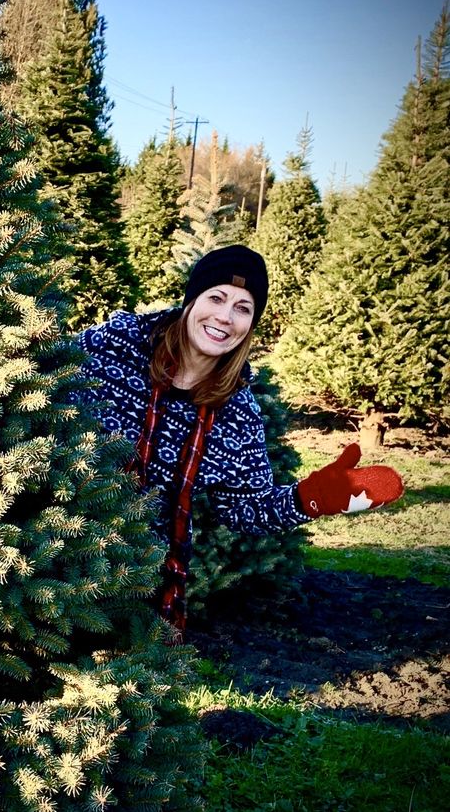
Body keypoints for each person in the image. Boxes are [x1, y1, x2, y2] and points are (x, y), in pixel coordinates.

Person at [76, 244, 404, 637]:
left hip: (138, 583)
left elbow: (245, 508)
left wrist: (312, 497)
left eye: (243, 308)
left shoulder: (237, 411)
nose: (224, 317)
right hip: (50, 553)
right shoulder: (111, 348)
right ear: (191, 300)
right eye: (216, 297)